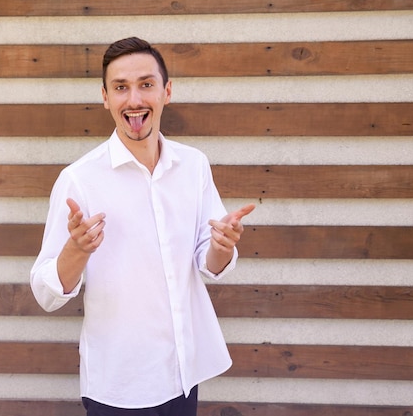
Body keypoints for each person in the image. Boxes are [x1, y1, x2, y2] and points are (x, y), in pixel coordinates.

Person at [30, 37, 255, 415]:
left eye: (146, 84)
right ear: (105, 97)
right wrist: (77, 250)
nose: (134, 100)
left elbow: (209, 262)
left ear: (167, 91)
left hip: (183, 372)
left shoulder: (194, 165)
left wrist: (223, 244)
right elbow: (46, 293)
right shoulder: (79, 180)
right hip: (119, 386)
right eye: (121, 87)